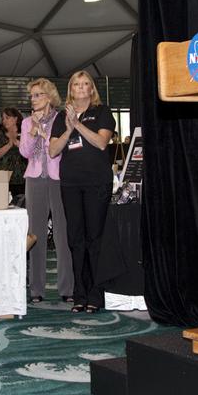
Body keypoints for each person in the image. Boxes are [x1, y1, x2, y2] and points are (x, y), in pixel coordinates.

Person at [49, 70, 115, 313]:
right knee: (75, 239)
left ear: (91, 89)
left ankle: (96, 295)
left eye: (86, 84)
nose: (81, 87)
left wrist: (78, 124)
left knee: (94, 239)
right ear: (71, 89)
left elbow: (101, 142)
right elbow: (53, 151)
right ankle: (80, 293)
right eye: (76, 84)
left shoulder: (102, 112)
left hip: (97, 182)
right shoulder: (60, 117)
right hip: (70, 184)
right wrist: (68, 128)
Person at [19, 79, 73, 304]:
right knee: (35, 234)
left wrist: (44, 133)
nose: (34, 99)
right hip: (34, 179)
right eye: (32, 96)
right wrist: (33, 132)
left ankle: (68, 288)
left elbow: (59, 149)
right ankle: (36, 290)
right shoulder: (25, 122)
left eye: (39, 94)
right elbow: (24, 152)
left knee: (62, 235)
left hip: (58, 179)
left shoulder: (61, 119)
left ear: (49, 97)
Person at [0, 106, 26, 203]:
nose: (4, 121)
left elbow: (30, 153)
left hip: (22, 179)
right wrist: (9, 145)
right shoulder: (0, 135)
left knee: (21, 206)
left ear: (15, 118)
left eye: (7, 118)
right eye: (3, 118)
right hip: (3, 179)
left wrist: (17, 143)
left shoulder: (25, 133)